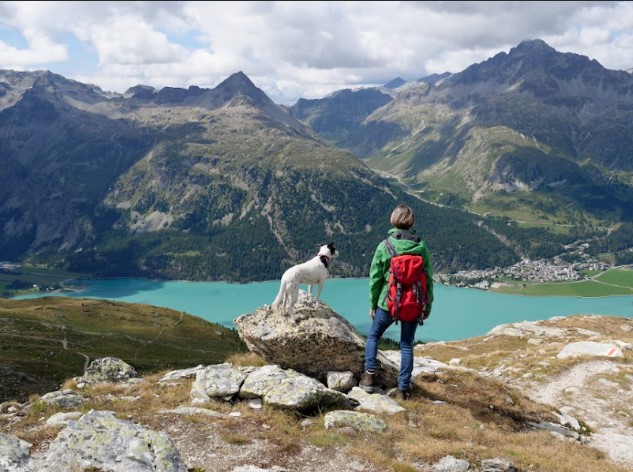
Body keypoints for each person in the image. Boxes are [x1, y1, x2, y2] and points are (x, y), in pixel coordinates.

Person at [360, 203, 434, 400]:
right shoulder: (421, 246)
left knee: (374, 336)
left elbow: (375, 279)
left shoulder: (385, 246)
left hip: (388, 303)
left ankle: (368, 378)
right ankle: (403, 389)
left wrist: (373, 304)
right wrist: (427, 305)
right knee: (406, 345)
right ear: (411, 222)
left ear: (393, 220)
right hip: (413, 304)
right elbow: (428, 278)